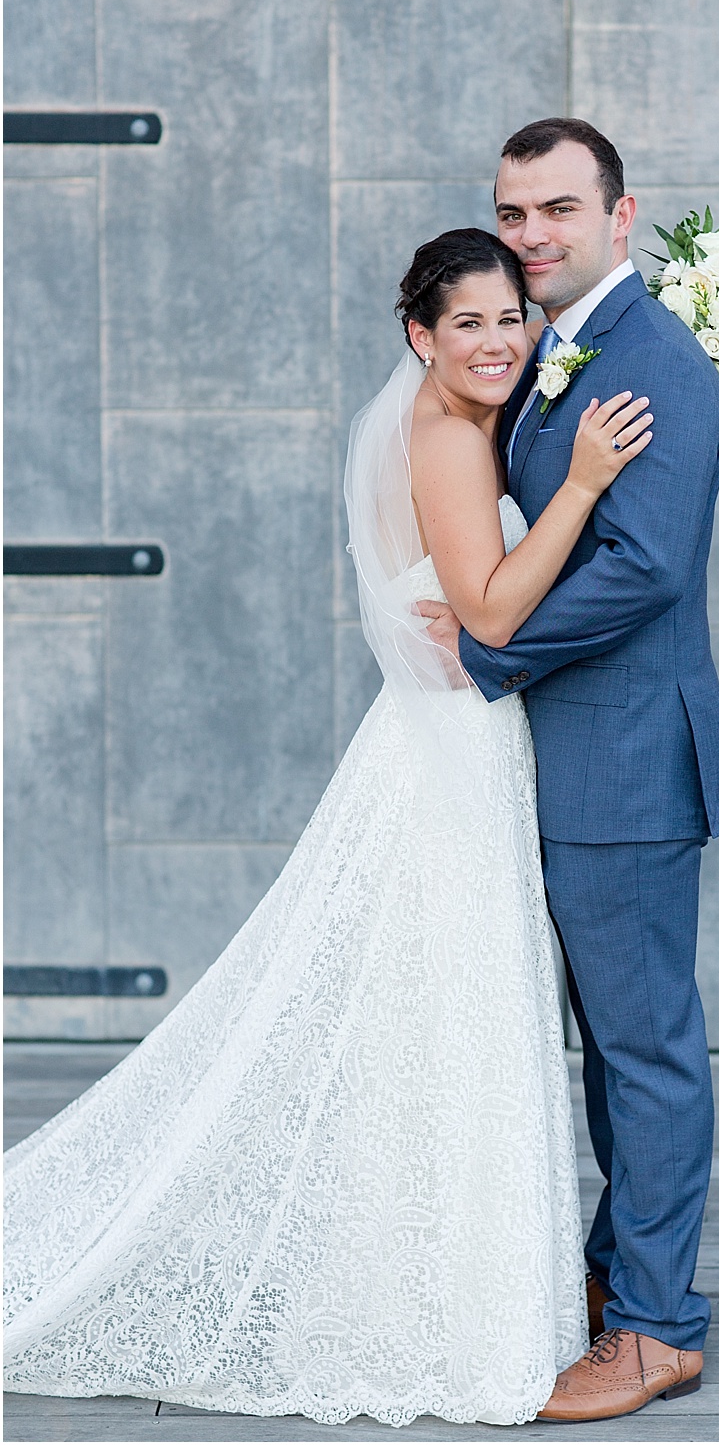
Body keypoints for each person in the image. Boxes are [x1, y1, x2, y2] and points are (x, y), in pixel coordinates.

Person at [3, 228, 653, 1428]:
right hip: (451, 754)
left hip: (450, 739)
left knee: (431, 1012)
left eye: (511, 316)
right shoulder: (448, 437)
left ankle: (448, 1279)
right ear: (420, 334)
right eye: (468, 322)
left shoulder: (450, 420)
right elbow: (494, 606)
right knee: (451, 1009)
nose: (499, 339)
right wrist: (579, 488)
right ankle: (446, 1306)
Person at [418, 119, 719, 1424]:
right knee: (611, 1051)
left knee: (645, 1049)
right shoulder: (555, 347)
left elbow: (645, 568)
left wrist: (490, 646)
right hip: (566, 761)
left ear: (622, 215)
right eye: (513, 213)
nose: (533, 233)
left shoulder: (657, 358)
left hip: (622, 762)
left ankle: (659, 1329)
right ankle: (623, 1277)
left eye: (559, 208)